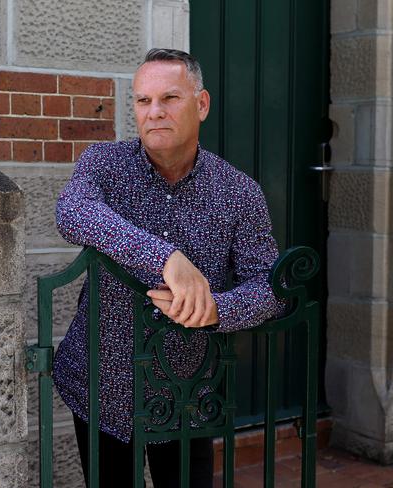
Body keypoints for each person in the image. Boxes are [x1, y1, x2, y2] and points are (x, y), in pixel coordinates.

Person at [52, 48, 285, 488]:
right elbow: (72, 211)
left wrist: (216, 309)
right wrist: (164, 258)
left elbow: (270, 288)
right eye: (143, 101)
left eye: (170, 99)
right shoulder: (103, 164)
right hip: (101, 385)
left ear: (201, 104)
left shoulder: (239, 192)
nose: (154, 112)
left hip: (188, 393)